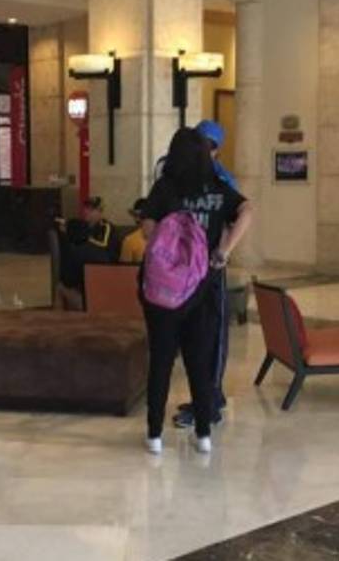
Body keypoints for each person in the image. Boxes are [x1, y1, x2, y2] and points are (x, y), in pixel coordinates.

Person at [140, 128, 254, 455]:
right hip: (203, 287)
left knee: (161, 360)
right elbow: (247, 210)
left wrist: (168, 248)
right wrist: (224, 250)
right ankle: (203, 434)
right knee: (200, 361)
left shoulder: (165, 188)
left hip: (163, 291)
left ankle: (154, 435)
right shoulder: (217, 188)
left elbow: (147, 229)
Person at [54, 197, 119, 310]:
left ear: (100, 212)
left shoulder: (106, 227)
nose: (86, 212)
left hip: (106, 269)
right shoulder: (82, 226)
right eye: (86, 208)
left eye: (91, 209)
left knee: (62, 287)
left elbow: (103, 245)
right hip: (84, 269)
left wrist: (83, 238)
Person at [119, 198, 148, 264]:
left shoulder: (163, 238)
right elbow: (124, 268)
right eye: (135, 215)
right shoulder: (129, 240)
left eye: (141, 216)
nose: (137, 219)